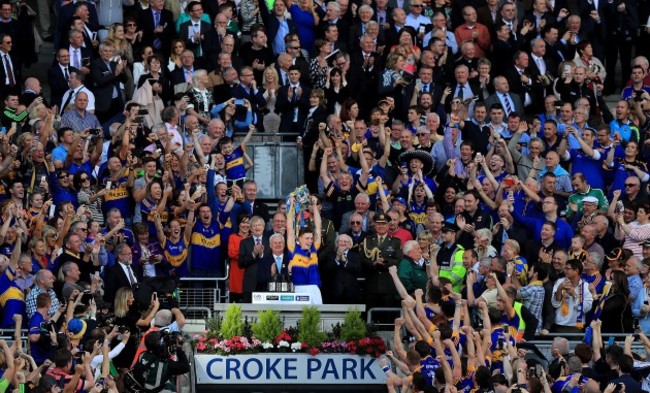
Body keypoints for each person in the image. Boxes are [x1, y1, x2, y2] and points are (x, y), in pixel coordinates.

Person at [286, 195, 323, 304]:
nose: (310, 241)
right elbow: (290, 229)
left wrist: (315, 206)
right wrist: (291, 206)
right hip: (298, 288)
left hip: (314, 288)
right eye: (307, 238)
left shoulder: (314, 248)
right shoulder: (293, 249)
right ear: (299, 239)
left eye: (311, 238)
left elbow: (318, 226)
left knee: (318, 318)